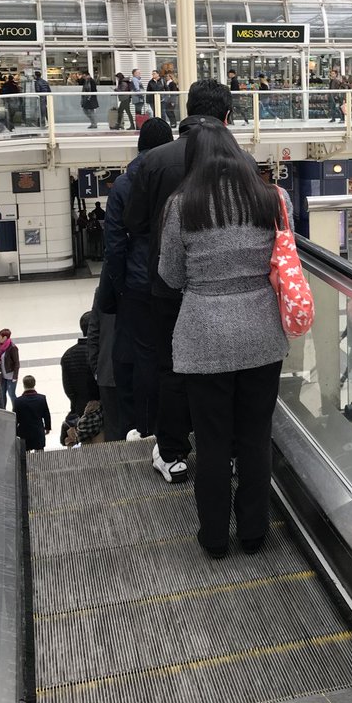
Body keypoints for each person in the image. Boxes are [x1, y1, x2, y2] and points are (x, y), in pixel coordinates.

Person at [158, 117, 291, 558]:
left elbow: (170, 274)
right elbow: (285, 257)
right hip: (261, 333)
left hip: (204, 337)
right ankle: (254, 533)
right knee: (255, 436)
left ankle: (214, 539)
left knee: (212, 442)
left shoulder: (182, 206)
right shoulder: (273, 198)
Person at [124, 79, 234, 484]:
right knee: (222, 368)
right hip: (224, 285)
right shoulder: (238, 161)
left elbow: (134, 222)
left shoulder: (155, 160)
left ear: (186, 111)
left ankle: (172, 454)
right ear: (227, 117)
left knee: (172, 367)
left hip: (167, 284)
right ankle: (225, 450)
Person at [102, 117, 173, 440]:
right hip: (173, 280)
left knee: (144, 356)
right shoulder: (178, 178)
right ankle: (178, 425)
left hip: (138, 283)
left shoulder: (123, 184)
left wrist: (122, 287)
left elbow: (114, 245)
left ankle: (146, 428)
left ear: (140, 145)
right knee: (172, 352)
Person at [87, 284, 119, 441]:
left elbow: (93, 331)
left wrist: (96, 368)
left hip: (107, 371)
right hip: (138, 370)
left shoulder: (103, 290)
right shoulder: (142, 283)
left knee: (113, 425)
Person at [60, 312, 100, 417]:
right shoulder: (101, 351)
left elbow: (68, 388)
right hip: (105, 406)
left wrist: (76, 403)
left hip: (80, 408)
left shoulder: (68, 355)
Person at [13, 375, 51, 451]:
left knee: (26, 454)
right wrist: (47, 427)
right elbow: (46, 414)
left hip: (24, 433)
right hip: (38, 432)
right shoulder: (41, 398)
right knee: (40, 454)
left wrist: (15, 431)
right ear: (34, 384)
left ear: (24, 385)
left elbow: (15, 418)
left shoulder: (18, 401)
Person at [0, 327, 20, 409]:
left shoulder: (13, 348)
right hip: (3, 376)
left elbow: (17, 363)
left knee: (11, 394)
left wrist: (15, 377)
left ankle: (16, 409)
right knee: (2, 394)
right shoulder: (1, 346)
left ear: (5, 337)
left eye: (0, 337)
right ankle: (3, 410)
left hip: (11, 376)